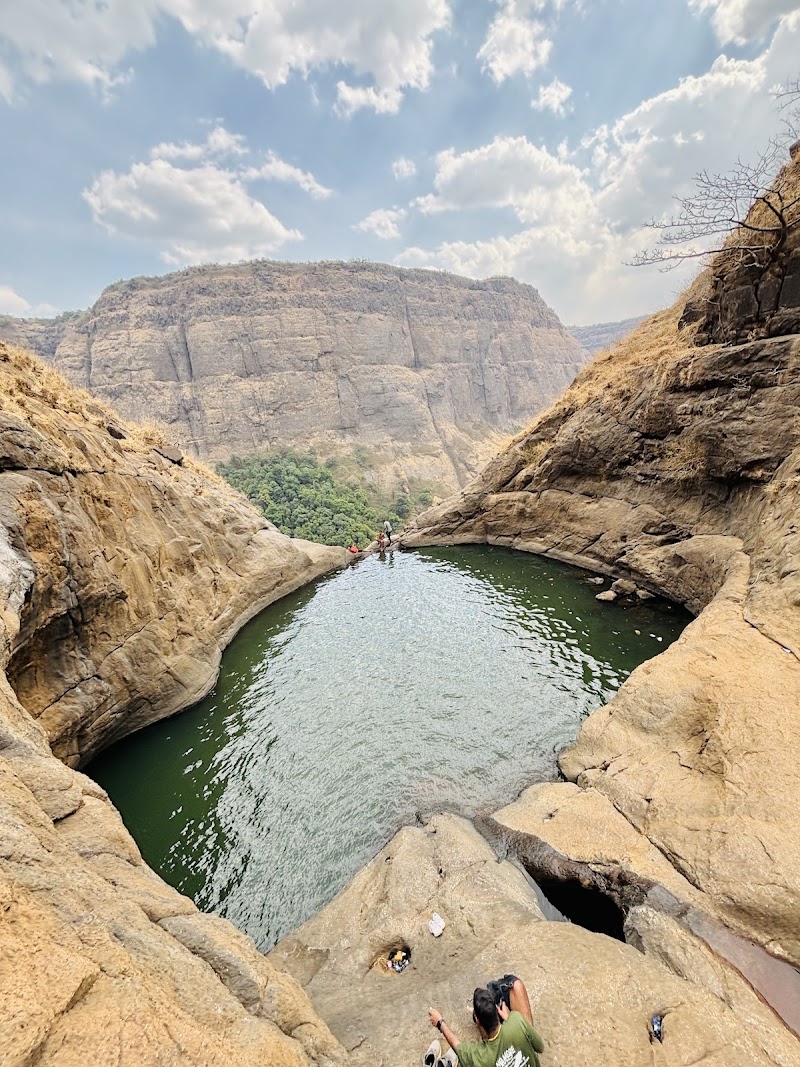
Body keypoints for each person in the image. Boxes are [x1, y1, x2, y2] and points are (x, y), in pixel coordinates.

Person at [428, 976, 544, 1067]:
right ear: (497, 1011)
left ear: (478, 1022)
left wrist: (440, 1022)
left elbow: (456, 1045)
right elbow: (540, 1047)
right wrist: (510, 1018)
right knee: (513, 984)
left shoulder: (479, 1057)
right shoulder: (517, 1021)